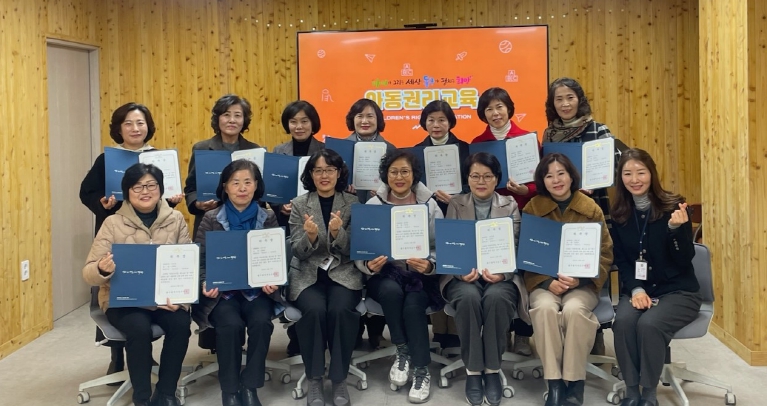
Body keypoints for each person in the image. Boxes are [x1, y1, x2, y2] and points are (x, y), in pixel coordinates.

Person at [79, 102, 183, 384]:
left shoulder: (160, 158)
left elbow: (164, 197)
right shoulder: (106, 159)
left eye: (140, 122)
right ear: (119, 128)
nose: (135, 128)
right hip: (117, 229)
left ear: (148, 126)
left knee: (151, 291)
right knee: (118, 288)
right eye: (128, 123)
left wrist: (173, 200)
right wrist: (101, 204)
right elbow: (87, 192)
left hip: (153, 231)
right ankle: (117, 356)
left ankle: (144, 357)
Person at [82, 163, 192, 406]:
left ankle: (165, 393)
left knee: (181, 324)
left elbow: (187, 264)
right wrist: (102, 269)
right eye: (137, 187)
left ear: (160, 188)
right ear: (127, 191)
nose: (145, 191)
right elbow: (88, 273)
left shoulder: (175, 219)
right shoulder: (112, 223)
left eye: (151, 185)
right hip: (124, 300)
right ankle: (142, 398)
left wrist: (181, 300)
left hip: (164, 298)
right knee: (139, 329)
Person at [610, 149, 702, 406]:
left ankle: (649, 394)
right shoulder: (619, 213)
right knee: (623, 322)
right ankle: (632, 391)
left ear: (651, 174)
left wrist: (675, 230)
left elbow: (684, 259)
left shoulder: (674, 206)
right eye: (627, 173)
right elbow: (623, 261)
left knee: (649, 325)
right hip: (640, 289)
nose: (634, 179)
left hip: (678, 291)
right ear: (620, 178)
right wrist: (636, 290)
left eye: (641, 172)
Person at [523, 153, 613, 406]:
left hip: (582, 283)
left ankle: (574, 383)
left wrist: (579, 280)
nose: (556, 180)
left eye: (561, 173)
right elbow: (525, 253)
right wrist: (545, 282)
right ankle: (554, 383)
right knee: (544, 308)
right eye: (549, 176)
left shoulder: (590, 208)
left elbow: (605, 253)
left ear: (571, 176)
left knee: (574, 310)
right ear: (542, 181)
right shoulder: (533, 208)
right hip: (544, 283)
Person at [356, 150, 444, 404]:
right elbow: (361, 249)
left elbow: (441, 246)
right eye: (393, 172)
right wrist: (368, 265)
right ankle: (403, 350)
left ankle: (421, 370)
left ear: (414, 175)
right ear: (386, 175)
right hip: (385, 274)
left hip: (419, 275)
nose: (399, 177)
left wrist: (430, 265)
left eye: (405, 171)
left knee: (414, 304)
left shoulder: (429, 205)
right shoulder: (373, 206)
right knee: (391, 292)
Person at [442, 152, 528, 406]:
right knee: (468, 298)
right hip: (463, 276)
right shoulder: (456, 204)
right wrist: (460, 271)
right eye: (475, 176)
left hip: (500, 275)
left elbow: (516, 246)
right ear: (467, 178)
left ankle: (491, 369)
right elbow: (450, 245)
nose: (481, 181)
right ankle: (473, 371)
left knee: (497, 299)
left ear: (497, 179)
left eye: (487, 176)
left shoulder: (510, 204)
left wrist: (504, 273)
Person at [191, 160, 279, 406]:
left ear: (256, 186)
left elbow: (276, 256)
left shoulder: (268, 217)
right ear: (225, 187)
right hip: (222, 293)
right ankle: (229, 390)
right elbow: (199, 259)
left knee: (261, 323)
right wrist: (204, 281)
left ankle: (250, 385)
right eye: (235, 182)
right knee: (230, 325)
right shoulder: (211, 218)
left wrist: (273, 279)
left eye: (248, 182)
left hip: (256, 291)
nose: (242, 188)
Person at [542, 77, 619, 359]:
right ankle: (564, 339)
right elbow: (547, 171)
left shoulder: (598, 130)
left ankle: (595, 335)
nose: (565, 104)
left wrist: (595, 182)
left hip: (591, 207)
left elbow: (616, 165)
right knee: (563, 267)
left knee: (591, 266)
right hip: (559, 212)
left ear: (579, 100)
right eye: (559, 99)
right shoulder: (549, 134)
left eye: (570, 98)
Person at [288, 149, 362, 406]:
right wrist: (310, 237)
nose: (324, 175)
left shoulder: (352, 203)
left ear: (339, 173)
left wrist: (338, 234)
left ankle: (339, 378)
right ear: (310, 174)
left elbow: (356, 248)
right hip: (308, 275)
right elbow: (296, 251)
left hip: (343, 273)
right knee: (315, 311)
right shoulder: (300, 204)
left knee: (341, 310)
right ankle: (315, 378)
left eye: (329, 170)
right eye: (318, 170)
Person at [471, 87, 536, 356]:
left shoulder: (527, 139)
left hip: (524, 212)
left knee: (522, 272)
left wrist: (526, 190)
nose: (495, 113)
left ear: (509, 108)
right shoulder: (478, 144)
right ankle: (503, 330)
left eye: (500, 107)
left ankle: (523, 333)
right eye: (489, 109)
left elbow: (541, 181)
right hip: (492, 217)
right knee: (497, 268)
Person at [414, 99, 469, 350]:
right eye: (431, 120)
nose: (436, 125)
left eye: (442, 120)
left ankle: (456, 331)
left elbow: (473, 182)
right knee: (434, 267)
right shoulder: (416, 152)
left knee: (455, 267)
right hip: (429, 216)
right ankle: (438, 330)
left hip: (458, 213)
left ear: (450, 122)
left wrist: (457, 197)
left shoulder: (464, 149)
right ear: (424, 123)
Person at [272, 101, 326, 357]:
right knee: (294, 277)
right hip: (287, 222)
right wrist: (279, 206)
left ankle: (320, 336)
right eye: (293, 121)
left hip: (317, 220)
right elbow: (271, 190)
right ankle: (296, 337)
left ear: (313, 123)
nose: (299, 126)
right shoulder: (278, 151)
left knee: (315, 275)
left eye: (304, 121)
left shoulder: (324, 150)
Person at [185, 94, 262, 239]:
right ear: (218, 118)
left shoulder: (255, 150)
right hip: (210, 222)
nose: (232, 120)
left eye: (237, 115)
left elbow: (260, 191)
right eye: (226, 115)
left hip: (248, 221)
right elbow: (190, 188)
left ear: (244, 120)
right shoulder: (202, 149)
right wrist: (198, 203)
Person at [344, 98, 397, 203]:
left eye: (370, 116)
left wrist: (386, 191)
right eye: (360, 116)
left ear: (378, 120)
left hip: (380, 206)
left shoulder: (391, 150)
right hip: (347, 205)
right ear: (353, 119)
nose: (364, 121)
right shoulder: (341, 147)